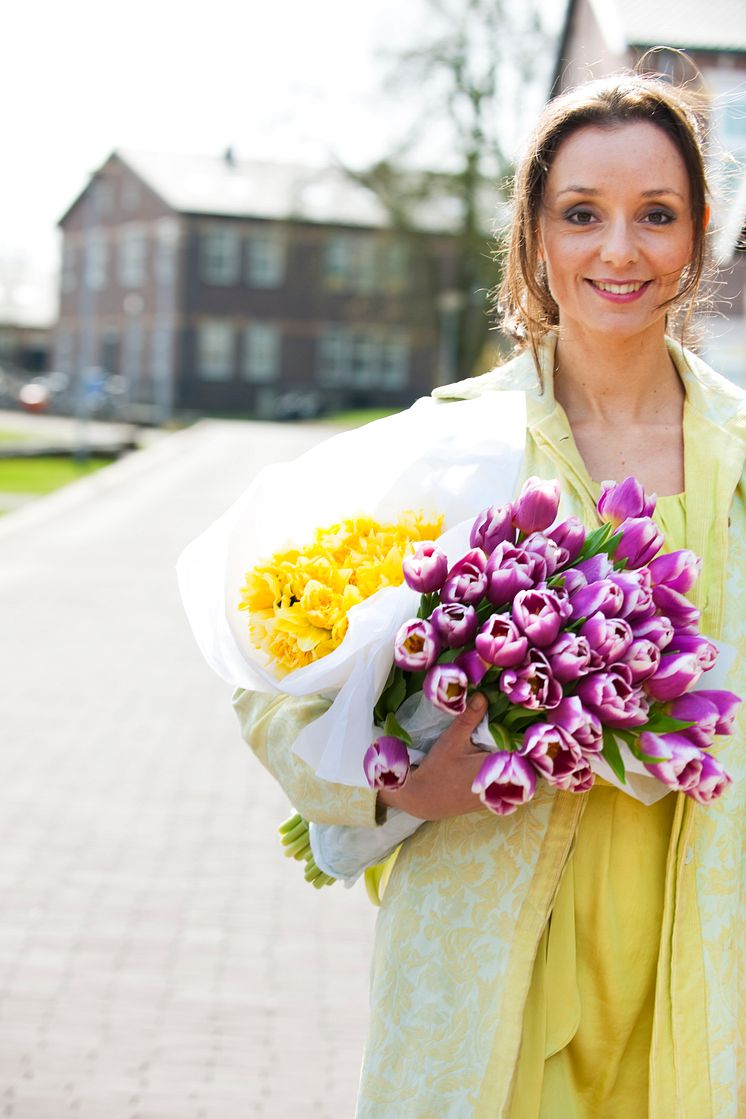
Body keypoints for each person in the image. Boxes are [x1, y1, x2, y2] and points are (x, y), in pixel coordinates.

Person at [232, 71, 745, 1117]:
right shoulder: (453, 439)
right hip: (491, 936)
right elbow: (271, 677)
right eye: (579, 215)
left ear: (696, 235)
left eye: (655, 214)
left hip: (702, 941)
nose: (617, 251)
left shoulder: (740, 448)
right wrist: (386, 787)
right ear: (533, 237)